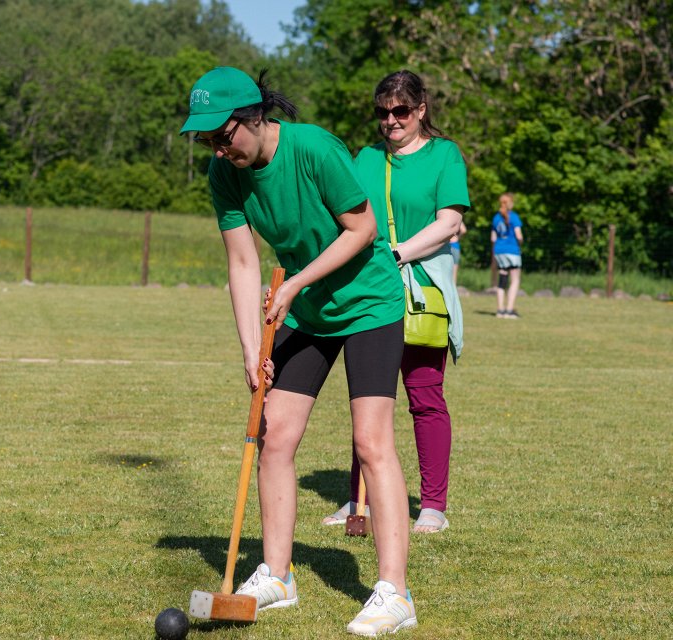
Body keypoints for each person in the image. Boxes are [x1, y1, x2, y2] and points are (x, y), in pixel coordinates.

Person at [181, 66, 416, 636]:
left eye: (224, 134)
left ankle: (394, 593)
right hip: (308, 311)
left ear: (256, 117)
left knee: (371, 440)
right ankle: (278, 576)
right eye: (207, 139)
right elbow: (242, 262)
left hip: (368, 303)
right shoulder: (226, 175)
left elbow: (360, 230)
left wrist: (293, 283)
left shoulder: (313, 148)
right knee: (275, 433)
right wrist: (247, 346)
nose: (218, 147)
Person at [322, 70, 468, 536]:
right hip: (367, 291)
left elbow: (448, 223)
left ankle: (432, 506)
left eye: (401, 110)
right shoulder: (363, 158)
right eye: (383, 112)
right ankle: (355, 502)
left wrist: (397, 252)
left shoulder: (445, 155)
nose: (391, 120)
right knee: (367, 399)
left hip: (420, 287)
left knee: (425, 398)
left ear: (421, 109)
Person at [492, 193, 524, 318]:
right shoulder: (514, 217)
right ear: (510, 203)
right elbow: (519, 235)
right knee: (515, 280)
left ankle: (500, 310)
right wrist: (520, 244)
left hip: (499, 251)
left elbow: (493, 237)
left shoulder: (496, 218)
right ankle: (509, 310)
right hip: (512, 251)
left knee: (502, 280)